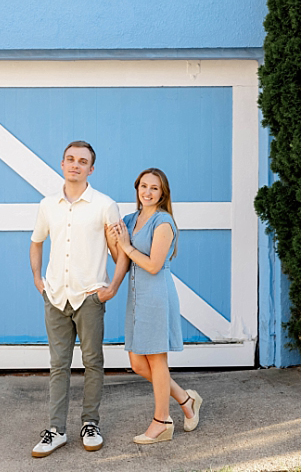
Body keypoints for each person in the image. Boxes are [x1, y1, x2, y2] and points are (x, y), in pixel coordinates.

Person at [29, 141, 120, 458]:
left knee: (93, 362)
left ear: (91, 169)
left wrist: (112, 288)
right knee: (58, 365)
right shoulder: (47, 204)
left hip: (89, 296)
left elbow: (118, 252)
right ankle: (56, 430)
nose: (75, 165)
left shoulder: (104, 205)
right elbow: (36, 241)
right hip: (55, 296)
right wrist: (38, 279)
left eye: (82, 161)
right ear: (62, 163)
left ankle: (90, 424)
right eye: (70, 159)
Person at [103, 168, 202, 443]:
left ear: (162, 193)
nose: (147, 192)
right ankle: (185, 399)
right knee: (137, 363)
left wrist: (126, 245)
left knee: (157, 360)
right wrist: (112, 240)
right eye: (143, 186)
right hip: (136, 297)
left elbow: (154, 265)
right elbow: (120, 258)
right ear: (137, 188)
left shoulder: (163, 222)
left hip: (157, 296)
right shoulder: (130, 219)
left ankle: (162, 421)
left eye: (154, 188)